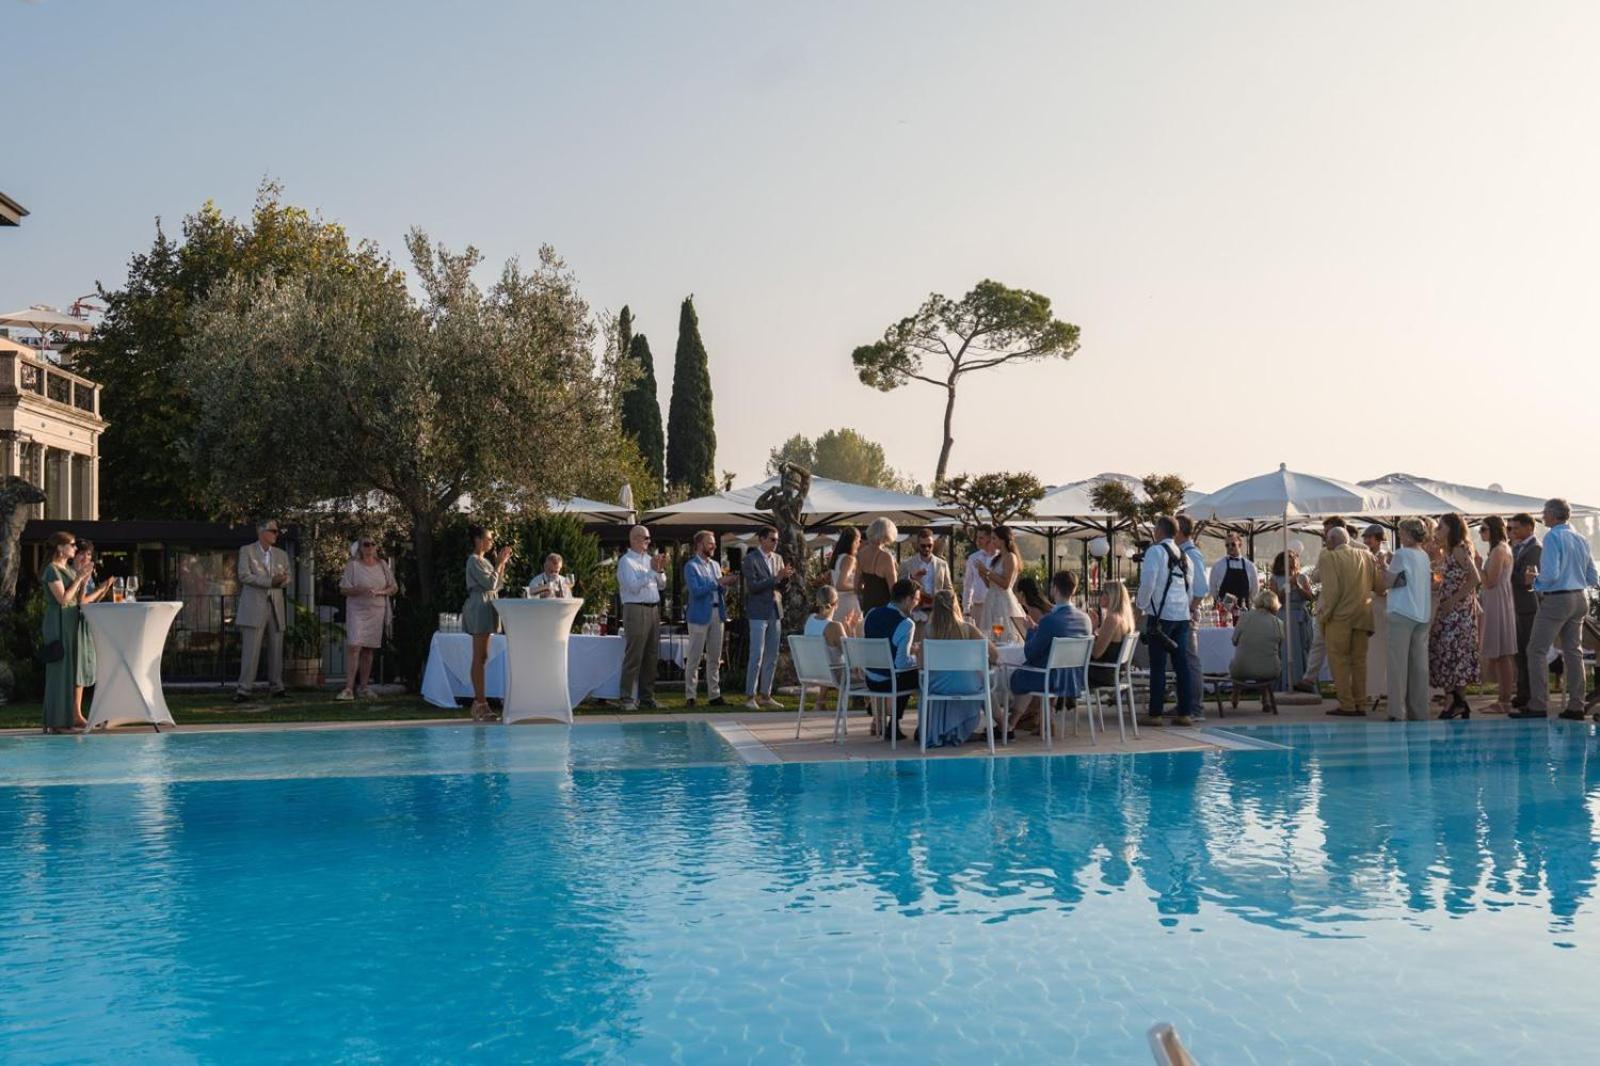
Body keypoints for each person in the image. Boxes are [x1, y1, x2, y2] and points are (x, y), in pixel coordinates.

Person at [1522, 498, 1598, 721]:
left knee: (1536, 650)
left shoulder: (1553, 536)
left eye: (1545, 512)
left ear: (1554, 515)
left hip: (1558, 599)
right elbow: (1593, 576)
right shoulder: (1581, 538)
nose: (1543, 516)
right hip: (1580, 597)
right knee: (1573, 652)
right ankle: (1576, 705)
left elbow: (1551, 574)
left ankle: (1538, 704)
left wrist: (1534, 582)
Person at [1009, 570, 1093, 736]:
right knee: (1039, 667)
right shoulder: (1086, 619)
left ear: (1054, 589)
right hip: (1074, 679)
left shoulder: (1049, 620)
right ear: (1074, 590)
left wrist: (1030, 631)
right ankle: (1045, 721)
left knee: (1015, 674)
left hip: (1051, 679)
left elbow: (1030, 653)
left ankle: (1009, 724)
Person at [1138, 516, 1197, 727]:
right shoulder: (1185, 556)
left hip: (1161, 617)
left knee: (1158, 665)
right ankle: (1185, 713)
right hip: (1181, 615)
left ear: (1159, 531)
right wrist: (1183, 607)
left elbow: (1148, 582)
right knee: (1182, 665)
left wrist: (1141, 606)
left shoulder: (1155, 552)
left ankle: (1155, 714)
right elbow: (1190, 587)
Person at [919, 588, 996, 747]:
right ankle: (959, 730)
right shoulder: (968, 628)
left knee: (931, 681)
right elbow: (995, 655)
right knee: (978, 679)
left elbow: (921, 665)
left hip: (938, 685)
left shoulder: (928, 630)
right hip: (967, 685)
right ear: (956, 606)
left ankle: (937, 730)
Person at [1315, 526, 1377, 716]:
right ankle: (1360, 704)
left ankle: (1347, 704)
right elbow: (1379, 585)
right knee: (1359, 663)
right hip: (1363, 616)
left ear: (1332, 541)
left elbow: (1332, 592)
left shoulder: (1328, 557)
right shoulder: (1366, 556)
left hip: (1339, 619)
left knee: (1339, 662)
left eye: (1326, 540)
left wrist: (1324, 616)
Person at [1429, 513, 1482, 720]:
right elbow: (1451, 577)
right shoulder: (1449, 551)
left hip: (1457, 613)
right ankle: (1460, 702)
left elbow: (1474, 578)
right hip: (1451, 610)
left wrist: (1453, 600)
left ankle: (1453, 701)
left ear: (1451, 529)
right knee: (1451, 654)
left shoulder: (1459, 549)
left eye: (1440, 527)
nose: (1437, 531)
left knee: (1450, 652)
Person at [1380, 519, 1433, 721]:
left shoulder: (1401, 554)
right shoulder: (1424, 555)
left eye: (1402, 533)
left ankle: (1397, 711)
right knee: (1419, 667)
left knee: (1397, 666)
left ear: (1410, 535)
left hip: (1402, 612)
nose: (1400, 536)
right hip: (1422, 612)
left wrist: (1382, 565)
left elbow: (1389, 582)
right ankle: (1419, 711)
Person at [234, 519, 291, 702]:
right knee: (251, 650)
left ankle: (277, 687)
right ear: (261, 532)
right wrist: (269, 582)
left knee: (276, 648)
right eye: (273, 531)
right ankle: (244, 689)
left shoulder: (281, 554)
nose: (276, 534)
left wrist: (282, 580)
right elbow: (243, 575)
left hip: (275, 606)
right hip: (254, 606)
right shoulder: (247, 550)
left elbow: (288, 577)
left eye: (277, 531)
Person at [40, 532, 92, 733]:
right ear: (60, 548)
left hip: (70, 621)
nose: (75, 548)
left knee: (69, 671)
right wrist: (79, 577)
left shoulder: (66, 569)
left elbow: (77, 597)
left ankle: (67, 718)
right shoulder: (52, 570)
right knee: (59, 671)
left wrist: (84, 580)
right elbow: (63, 599)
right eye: (71, 545)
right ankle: (55, 721)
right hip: (58, 622)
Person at [337, 536, 397, 701]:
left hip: (376, 610)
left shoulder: (383, 565)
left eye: (372, 544)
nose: (370, 547)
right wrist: (359, 589)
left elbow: (393, 587)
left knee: (369, 649)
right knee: (354, 645)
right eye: (366, 544)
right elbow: (343, 589)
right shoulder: (353, 565)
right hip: (357, 609)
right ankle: (349, 688)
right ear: (360, 547)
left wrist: (380, 592)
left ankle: (364, 687)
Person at [462, 525, 512, 720]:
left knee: (483, 656)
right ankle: (480, 703)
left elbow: (498, 584)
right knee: (479, 656)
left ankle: (480, 703)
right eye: (489, 539)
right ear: (478, 540)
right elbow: (489, 584)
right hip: (479, 606)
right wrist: (498, 562)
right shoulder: (473, 561)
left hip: (488, 605)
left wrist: (502, 564)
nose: (491, 542)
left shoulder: (485, 562)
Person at [684, 530, 738, 706]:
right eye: (710, 543)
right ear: (700, 545)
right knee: (694, 657)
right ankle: (690, 696)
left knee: (714, 658)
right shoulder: (691, 566)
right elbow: (696, 591)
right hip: (699, 615)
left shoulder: (715, 565)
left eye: (713, 543)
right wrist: (718, 582)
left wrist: (727, 584)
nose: (713, 546)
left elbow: (719, 590)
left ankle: (714, 695)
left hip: (717, 614)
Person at [742, 525, 793, 709]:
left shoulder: (778, 558)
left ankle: (766, 694)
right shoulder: (750, 559)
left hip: (774, 610)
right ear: (762, 539)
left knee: (772, 655)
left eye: (777, 539)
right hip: (757, 612)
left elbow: (781, 587)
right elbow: (753, 587)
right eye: (772, 539)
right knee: (756, 654)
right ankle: (750, 696)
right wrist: (776, 578)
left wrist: (785, 579)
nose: (775, 542)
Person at [862, 578, 920, 740]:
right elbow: (900, 663)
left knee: (907, 674)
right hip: (888, 681)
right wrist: (918, 658)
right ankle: (918, 727)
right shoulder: (906, 624)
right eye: (916, 600)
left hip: (870, 679)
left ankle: (889, 722)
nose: (916, 604)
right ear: (908, 599)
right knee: (921, 676)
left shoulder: (871, 614)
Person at [617, 524, 666, 712]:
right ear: (635, 539)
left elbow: (662, 585)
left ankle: (647, 697)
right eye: (646, 538)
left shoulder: (649, 560)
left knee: (651, 655)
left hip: (653, 608)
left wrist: (660, 570)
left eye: (649, 538)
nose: (649, 541)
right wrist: (652, 571)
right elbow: (632, 586)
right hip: (635, 609)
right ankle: (626, 697)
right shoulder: (626, 561)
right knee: (634, 654)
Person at [1477, 516, 1517, 715]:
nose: (1480, 533)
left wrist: (1476, 565)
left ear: (1492, 530)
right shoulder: (1501, 549)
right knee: (1502, 653)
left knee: (1503, 654)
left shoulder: (1499, 550)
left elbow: (1490, 581)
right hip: (1498, 601)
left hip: (1498, 602)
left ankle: (1504, 700)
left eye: (1483, 529)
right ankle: (1503, 699)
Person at [1506, 512, 1544, 712]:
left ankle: (1529, 694)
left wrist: (1507, 572)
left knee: (1528, 651)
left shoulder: (1536, 548)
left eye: (1516, 527)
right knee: (1520, 652)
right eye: (1511, 528)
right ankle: (1522, 693)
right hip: (1517, 605)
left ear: (1529, 527)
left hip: (1529, 606)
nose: (1512, 531)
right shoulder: (1516, 547)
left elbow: (1528, 579)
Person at [70, 540, 110, 722]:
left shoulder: (87, 575)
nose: (85, 558)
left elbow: (92, 601)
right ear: (75, 555)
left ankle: (80, 712)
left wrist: (104, 589)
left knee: (86, 666)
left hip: (87, 624)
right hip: (75, 625)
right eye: (82, 554)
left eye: (88, 555)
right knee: (79, 668)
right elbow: (82, 602)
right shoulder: (73, 574)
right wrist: (97, 588)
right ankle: (76, 713)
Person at [1175, 515, 1210, 718]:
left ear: (1179, 531)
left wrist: (1189, 610)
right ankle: (1185, 704)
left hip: (1186, 616)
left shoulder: (1191, 554)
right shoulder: (1183, 553)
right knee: (1183, 660)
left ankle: (1195, 707)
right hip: (1181, 614)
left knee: (1190, 660)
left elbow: (1202, 588)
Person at [1270, 548, 1315, 692]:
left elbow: (1310, 597)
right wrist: (1286, 587)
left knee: (1302, 649)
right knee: (1285, 649)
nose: (1290, 560)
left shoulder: (1302, 577)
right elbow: (1274, 600)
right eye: (1287, 558)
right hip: (1284, 615)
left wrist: (1298, 587)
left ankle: (1303, 681)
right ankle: (1284, 683)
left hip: (1299, 615)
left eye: (1292, 557)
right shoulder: (1275, 578)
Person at [978, 525, 1027, 642]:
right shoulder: (998, 558)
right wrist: (983, 576)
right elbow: (991, 585)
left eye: (994, 538)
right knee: (991, 634)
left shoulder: (1010, 557)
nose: (992, 542)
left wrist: (987, 572)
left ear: (1003, 539)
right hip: (991, 600)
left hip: (1003, 603)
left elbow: (1006, 584)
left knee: (1003, 634)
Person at [1361, 525, 1391, 710]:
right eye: (1365, 538)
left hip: (1383, 604)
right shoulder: (1365, 556)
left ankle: (1383, 688)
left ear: (1378, 539)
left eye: (1369, 538)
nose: (1366, 541)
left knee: (1382, 649)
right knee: (1372, 650)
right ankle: (1372, 689)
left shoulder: (1388, 555)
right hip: (1371, 604)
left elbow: (1387, 581)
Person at [1230, 588, 1285, 686]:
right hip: (1269, 670)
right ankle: (1265, 695)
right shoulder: (1278, 623)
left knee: (1239, 661)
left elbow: (1234, 641)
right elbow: (1280, 647)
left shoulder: (1244, 617)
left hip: (1241, 669)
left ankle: (1236, 691)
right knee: (1268, 660)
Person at [1089, 581, 1135, 688]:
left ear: (1111, 596)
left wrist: (1090, 631)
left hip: (1103, 674)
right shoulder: (1124, 619)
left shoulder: (1112, 619)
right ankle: (1067, 702)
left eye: (1103, 593)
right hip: (1114, 672)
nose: (1100, 596)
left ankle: (1064, 703)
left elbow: (1096, 653)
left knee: (1067, 668)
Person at [905, 528, 953, 623]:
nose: (926, 548)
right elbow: (901, 589)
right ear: (918, 545)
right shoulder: (908, 564)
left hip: (936, 611)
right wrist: (913, 578)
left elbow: (949, 588)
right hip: (915, 611)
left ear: (933, 544)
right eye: (923, 546)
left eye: (929, 545)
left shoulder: (942, 564)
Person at [1208, 532, 1259, 613]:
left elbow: (1255, 589)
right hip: (1224, 610)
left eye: (1233, 544)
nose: (1230, 547)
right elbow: (1213, 589)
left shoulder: (1250, 566)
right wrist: (1220, 602)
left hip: (1244, 609)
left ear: (1240, 544)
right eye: (1227, 545)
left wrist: (1247, 602)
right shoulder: (1218, 566)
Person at [856, 517, 899, 613]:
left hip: (867, 604)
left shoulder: (861, 554)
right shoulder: (886, 557)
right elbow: (893, 588)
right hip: (884, 606)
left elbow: (857, 585)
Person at [804, 584, 847, 673]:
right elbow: (850, 655)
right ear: (837, 603)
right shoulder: (835, 627)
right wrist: (852, 630)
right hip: (836, 676)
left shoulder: (810, 619)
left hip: (813, 674)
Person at [829, 526, 863, 635]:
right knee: (852, 639)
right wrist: (858, 587)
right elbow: (840, 584)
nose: (859, 544)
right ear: (853, 541)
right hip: (848, 603)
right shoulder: (849, 559)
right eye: (858, 541)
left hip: (838, 603)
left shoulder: (837, 557)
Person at [963, 525, 995, 616]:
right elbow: (968, 584)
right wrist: (966, 608)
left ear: (990, 539)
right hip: (977, 606)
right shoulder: (973, 558)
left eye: (981, 538)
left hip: (994, 606)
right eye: (977, 537)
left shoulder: (999, 558)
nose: (977, 541)